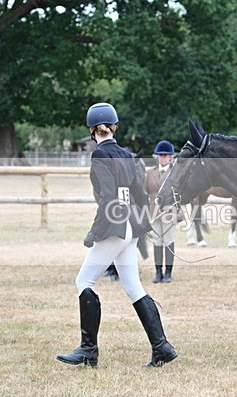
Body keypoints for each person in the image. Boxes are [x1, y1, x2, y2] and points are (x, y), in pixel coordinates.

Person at [56, 102, 178, 368]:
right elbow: (140, 194)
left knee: (84, 280)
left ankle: (89, 349)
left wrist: (94, 233)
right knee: (133, 286)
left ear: (91, 130)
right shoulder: (125, 153)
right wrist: (141, 224)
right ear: (114, 127)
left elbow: (108, 198)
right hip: (130, 228)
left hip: (115, 227)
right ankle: (162, 347)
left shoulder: (100, 156)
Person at [145, 140, 179, 283]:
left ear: (170, 157)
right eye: (161, 155)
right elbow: (145, 192)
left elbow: (179, 193)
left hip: (169, 211)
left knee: (168, 241)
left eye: (166, 155)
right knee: (157, 242)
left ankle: (168, 272)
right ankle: (158, 272)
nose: (163, 157)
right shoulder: (150, 173)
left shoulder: (175, 173)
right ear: (157, 156)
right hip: (154, 212)